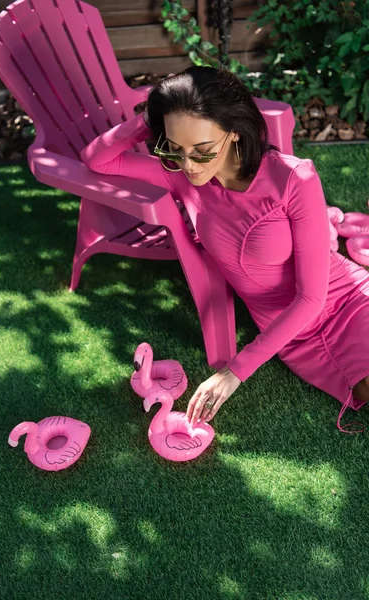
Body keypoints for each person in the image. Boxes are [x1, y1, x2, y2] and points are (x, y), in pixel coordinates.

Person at [81, 66, 369, 433]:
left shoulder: (295, 179)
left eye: (202, 151)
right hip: (290, 334)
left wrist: (234, 371)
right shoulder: (182, 176)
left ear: (234, 133)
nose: (188, 164)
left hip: (345, 299)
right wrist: (154, 116)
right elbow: (96, 159)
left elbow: (312, 297)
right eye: (174, 148)